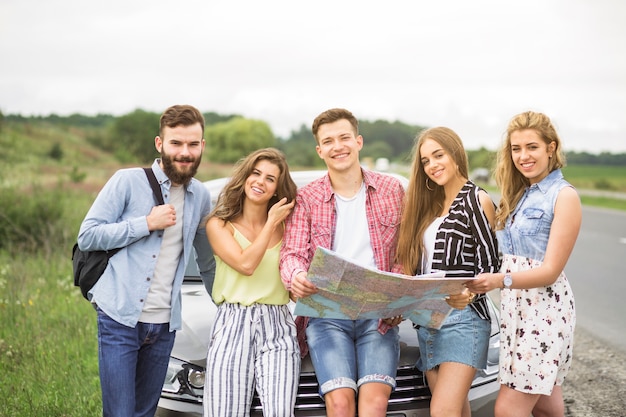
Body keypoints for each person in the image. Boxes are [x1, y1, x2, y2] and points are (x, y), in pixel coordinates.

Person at [77, 104, 215, 417]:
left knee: (145, 413)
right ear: (160, 144)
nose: (185, 152)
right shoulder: (126, 181)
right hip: (120, 318)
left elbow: (207, 263)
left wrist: (228, 307)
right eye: (176, 143)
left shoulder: (201, 196)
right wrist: (146, 223)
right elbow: (88, 236)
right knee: (121, 413)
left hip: (165, 326)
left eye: (193, 144)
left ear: (202, 146)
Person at [280, 108, 405, 417]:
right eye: (329, 141)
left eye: (344, 137)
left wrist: (398, 297)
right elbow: (292, 253)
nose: (338, 146)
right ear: (319, 150)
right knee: (339, 403)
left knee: (375, 404)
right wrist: (295, 276)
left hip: (378, 313)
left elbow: (407, 253)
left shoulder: (392, 190)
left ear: (358, 141)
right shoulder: (306, 197)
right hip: (327, 313)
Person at [465, 111, 580, 417]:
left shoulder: (563, 196)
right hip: (517, 312)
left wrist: (498, 281)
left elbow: (551, 271)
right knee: (546, 408)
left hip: (544, 313)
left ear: (550, 148)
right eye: (516, 148)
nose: (523, 156)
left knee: (507, 409)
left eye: (532, 147)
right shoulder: (518, 195)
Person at [395, 126, 500, 417]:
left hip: (463, 321)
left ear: (455, 154)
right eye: (426, 160)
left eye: (438, 155)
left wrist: (467, 293)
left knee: (442, 411)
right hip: (427, 322)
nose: (432, 165)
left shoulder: (477, 200)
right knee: (457, 412)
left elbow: (490, 265)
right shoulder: (429, 207)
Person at [203, 148, 300, 416]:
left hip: (278, 326)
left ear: (277, 189)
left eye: (270, 178)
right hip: (233, 324)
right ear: (245, 177)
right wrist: (270, 223)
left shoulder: (288, 228)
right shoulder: (219, 225)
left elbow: (292, 287)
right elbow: (246, 264)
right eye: (255, 173)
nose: (260, 181)